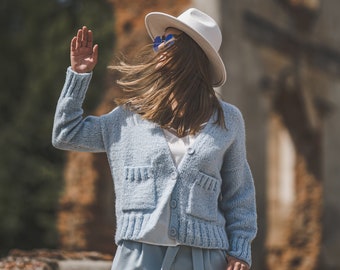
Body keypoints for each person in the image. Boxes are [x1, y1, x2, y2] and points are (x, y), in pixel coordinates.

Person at [52, 7, 257, 270]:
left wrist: (239, 251)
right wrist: (79, 76)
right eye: (158, 41)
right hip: (138, 255)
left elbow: (239, 194)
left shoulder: (227, 119)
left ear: (190, 53)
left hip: (203, 257)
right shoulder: (129, 117)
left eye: (166, 40)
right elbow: (66, 134)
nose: (157, 47)